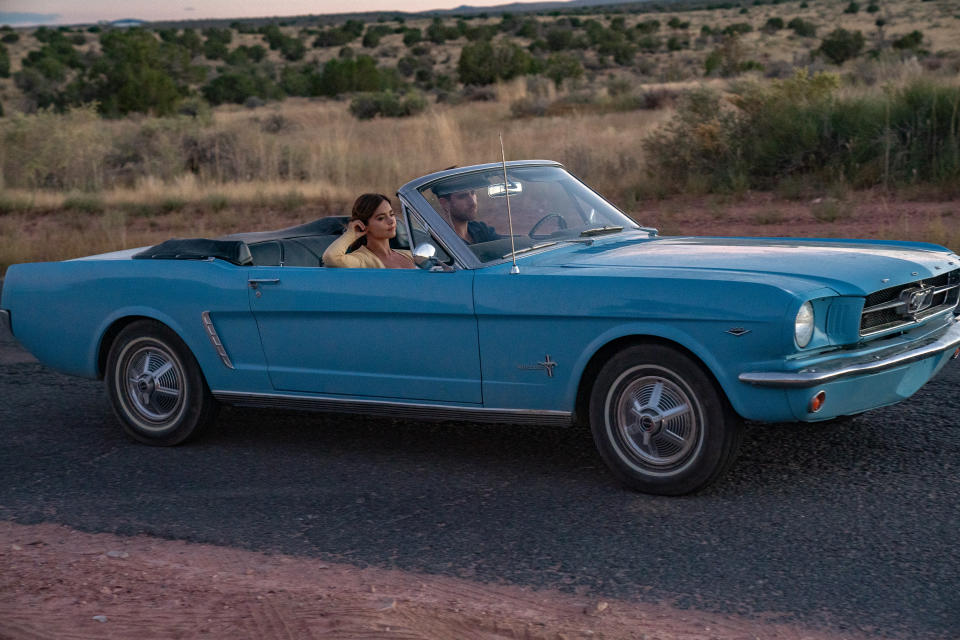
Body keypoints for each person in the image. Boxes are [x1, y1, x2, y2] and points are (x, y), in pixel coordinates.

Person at [322, 193, 414, 269]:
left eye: (391, 214)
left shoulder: (409, 255)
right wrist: (350, 234)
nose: (391, 221)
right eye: (381, 218)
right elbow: (331, 257)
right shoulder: (362, 260)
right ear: (363, 224)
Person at [434, 185, 500, 244]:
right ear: (444, 203)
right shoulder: (442, 242)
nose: (473, 203)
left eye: (473, 193)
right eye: (463, 196)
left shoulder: (480, 229)